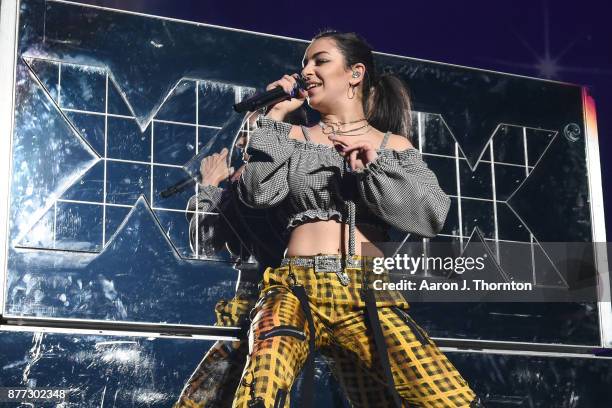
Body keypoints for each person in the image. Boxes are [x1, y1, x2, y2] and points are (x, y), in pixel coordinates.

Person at [233, 31, 483, 407]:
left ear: (355, 73)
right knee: (261, 391)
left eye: (320, 61)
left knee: (453, 401)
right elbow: (257, 193)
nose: (306, 71)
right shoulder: (292, 135)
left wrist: (374, 170)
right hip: (297, 286)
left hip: (368, 293)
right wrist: (276, 116)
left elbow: (431, 216)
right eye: (304, 63)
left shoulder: (393, 146)